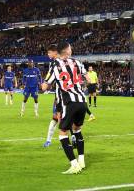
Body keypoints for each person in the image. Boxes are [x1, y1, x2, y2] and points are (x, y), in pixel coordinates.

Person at [41, 42, 90, 174]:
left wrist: (45, 84)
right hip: (82, 102)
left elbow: (45, 87)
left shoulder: (55, 65)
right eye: (70, 48)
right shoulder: (77, 62)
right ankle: (81, 160)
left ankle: (74, 165)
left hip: (69, 103)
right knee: (77, 130)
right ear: (67, 51)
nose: (71, 49)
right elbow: (89, 79)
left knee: (63, 133)